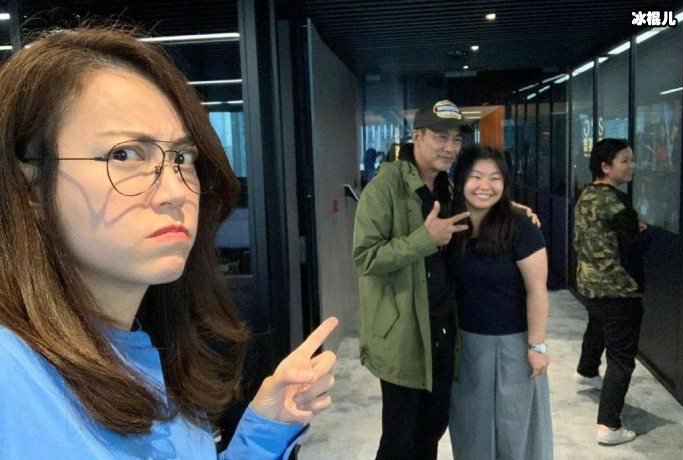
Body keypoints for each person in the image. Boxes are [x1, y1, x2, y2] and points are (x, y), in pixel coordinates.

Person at [0, 26, 338, 459]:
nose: (176, 191)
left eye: (182, 157)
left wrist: (265, 429)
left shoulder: (149, 348)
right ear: (29, 188)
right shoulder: (12, 375)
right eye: (124, 154)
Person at [353, 99, 468, 459]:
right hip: (403, 331)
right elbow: (366, 257)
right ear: (416, 137)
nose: (450, 147)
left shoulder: (448, 189)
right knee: (399, 439)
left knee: (432, 428)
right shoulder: (384, 188)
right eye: (441, 137)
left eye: (456, 139)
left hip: (442, 325)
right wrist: (424, 239)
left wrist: (514, 209)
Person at [447, 145, 553, 460]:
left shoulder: (520, 225)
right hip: (465, 344)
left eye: (495, 178)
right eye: (476, 176)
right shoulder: (450, 225)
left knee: (515, 431)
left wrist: (537, 346)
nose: (485, 186)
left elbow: (537, 289)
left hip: (514, 344)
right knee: (471, 431)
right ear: (461, 180)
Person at [573, 138, 650, 446]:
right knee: (621, 358)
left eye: (632, 159)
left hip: (589, 283)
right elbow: (634, 248)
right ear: (606, 167)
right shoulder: (618, 204)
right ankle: (609, 425)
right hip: (619, 289)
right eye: (625, 161)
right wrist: (645, 233)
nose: (631, 166)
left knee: (598, 326)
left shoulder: (587, 195)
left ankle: (586, 370)